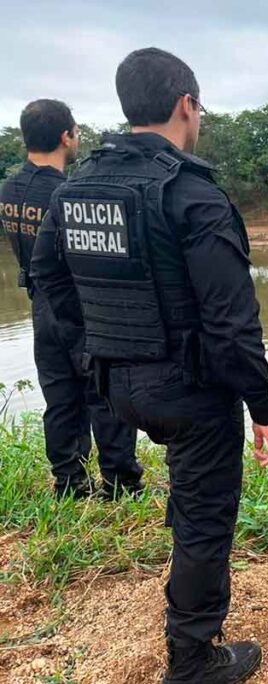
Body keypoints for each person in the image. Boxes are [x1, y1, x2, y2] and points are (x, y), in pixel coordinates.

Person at [31, 48, 268, 683]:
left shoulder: (76, 188)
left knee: (189, 490)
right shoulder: (194, 194)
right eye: (198, 108)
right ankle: (194, 659)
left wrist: (95, 352)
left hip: (115, 386)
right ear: (185, 105)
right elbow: (233, 322)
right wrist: (264, 409)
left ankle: (186, 559)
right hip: (190, 393)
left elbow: (47, 281)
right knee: (206, 516)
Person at [0, 99, 141, 499]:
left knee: (59, 397)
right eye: (76, 132)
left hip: (40, 308)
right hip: (79, 308)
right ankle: (120, 483)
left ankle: (69, 484)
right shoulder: (66, 194)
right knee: (104, 394)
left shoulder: (8, 188)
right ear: (66, 136)